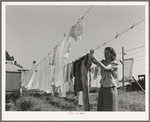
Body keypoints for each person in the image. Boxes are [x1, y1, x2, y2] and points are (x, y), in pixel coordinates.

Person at [90, 47, 118, 111]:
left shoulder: (114, 63)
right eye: (104, 53)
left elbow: (106, 69)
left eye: (106, 53)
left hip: (110, 89)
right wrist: (91, 55)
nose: (104, 54)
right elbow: (94, 61)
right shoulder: (103, 62)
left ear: (111, 54)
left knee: (109, 110)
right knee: (101, 109)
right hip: (102, 88)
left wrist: (95, 58)